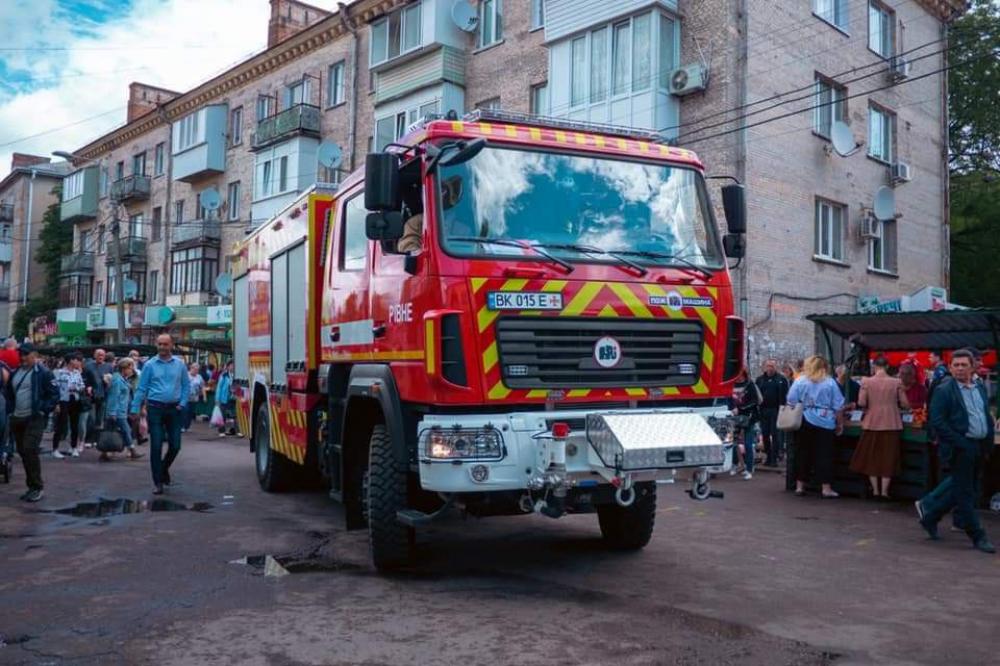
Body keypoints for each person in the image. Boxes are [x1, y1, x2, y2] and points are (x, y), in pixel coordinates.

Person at [915, 349, 995, 554]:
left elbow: (984, 414)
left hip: (979, 445)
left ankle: (930, 514)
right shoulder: (945, 390)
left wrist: (987, 440)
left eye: (963, 365)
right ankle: (978, 535)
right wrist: (960, 442)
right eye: (956, 365)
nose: (959, 368)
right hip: (960, 447)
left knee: (965, 489)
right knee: (965, 494)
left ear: (972, 367)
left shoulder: (978, 387)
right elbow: (937, 421)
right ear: (950, 368)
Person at [131, 334, 190, 495]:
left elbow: (186, 386)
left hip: (174, 410)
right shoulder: (149, 365)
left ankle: (163, 469)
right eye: (160, 344)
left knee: (175, 445)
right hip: (155, 409)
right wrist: (135, 408)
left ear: (171, 345)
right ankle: (158, 482)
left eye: (165, 344)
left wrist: (182, 403)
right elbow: (142, 388)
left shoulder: (180, 364)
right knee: (156, 446)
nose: (162, 347)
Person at [849, 356, 909, 499]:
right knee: (889, 457)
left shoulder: (866, 381)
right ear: (887, 366)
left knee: (872, 457)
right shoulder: (896, 382)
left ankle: (875, 490)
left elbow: (862, 403)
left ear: (874, 366)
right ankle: (885, 492)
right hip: (891, 422)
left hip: (872, 422)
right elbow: (905, 403)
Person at [6, 344, 58, 502]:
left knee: (30, 449)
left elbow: (54, 394)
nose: (23, 357)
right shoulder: (15, 372)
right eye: (21, 354)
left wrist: (43, 410)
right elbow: (9, 393)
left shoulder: (43, 373)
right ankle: (32, 487)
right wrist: (10, 411)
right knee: (23, 452)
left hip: (34, 418)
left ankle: (36, 486)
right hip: (17, 417)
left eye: (26, 354)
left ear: (34, 355)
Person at [787, 356, 845, 499]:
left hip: (805, 419)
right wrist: (840, 423)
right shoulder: (830, 382)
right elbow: (838, 405)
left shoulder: (800, 381)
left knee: (803, 453)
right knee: (825, 455)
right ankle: (826, 488)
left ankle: (800, 486)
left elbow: (791, 400)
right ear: (824, 367)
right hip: (826, 422)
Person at [103, 358, 143, 461]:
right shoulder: (117, 379)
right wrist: (112, 412)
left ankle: (104, 452)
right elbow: (114, 396)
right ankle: (132, 450)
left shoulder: (121, 378)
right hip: (117, 411)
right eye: (131, 368)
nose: (132, 370)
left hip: (120, 410)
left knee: (109, 430)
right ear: (124, 368)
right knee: (126, 430)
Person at [756, 359, 789, 467]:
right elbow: (756, 394)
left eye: (772, 366)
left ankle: (774, 458)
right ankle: (768, 457)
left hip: (776, 410)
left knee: (775, 435)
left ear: (776, 367)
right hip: (763, 410)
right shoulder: (760, 380)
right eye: (768, 366)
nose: (770, 368)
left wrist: (784, 409)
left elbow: (786, 395)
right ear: (765, 367)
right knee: (765, 434)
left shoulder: (781, 379)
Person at [52, 354, 85, 458]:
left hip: (74, 398)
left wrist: (77, 388)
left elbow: (82, 385)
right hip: (63, 399)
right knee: (61, 423)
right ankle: (55, 448)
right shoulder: (58, 372)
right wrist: (56, 402)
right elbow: (54, 386)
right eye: (76, 360)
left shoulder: (77, 373)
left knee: (74, 424)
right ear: (70, 361)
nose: (78, 362)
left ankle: (73, 447)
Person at [733, 370, 761, 480]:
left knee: (748, 444)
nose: (738, 377)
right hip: (735, 417)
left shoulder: (750, 385)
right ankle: (735, 464)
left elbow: (755, 401)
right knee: (733, 443)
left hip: (749, 418)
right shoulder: (731, 385)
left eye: (740, 375)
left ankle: (749, 468)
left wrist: (740, 409)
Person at [83, 348, 112, 447]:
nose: (100, 357)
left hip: (103, 395)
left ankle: (97, 439)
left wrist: (108, 382)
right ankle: (88, 439)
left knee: (100, 419)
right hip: (91, 396)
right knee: (91, 418)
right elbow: (83, 379)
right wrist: (87, 386)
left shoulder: (109, 366)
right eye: (98, 354)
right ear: (94, 355)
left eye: (102, 355)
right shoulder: (88, 366)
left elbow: (112, 379)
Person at [184, 363, 206, 432]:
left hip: (194, 398)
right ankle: (182, 426)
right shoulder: (186, 375)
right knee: (185, 411)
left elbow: (202, 386)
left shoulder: (199, 377)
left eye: (197, 370)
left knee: (190, 413)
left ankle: (187, 427)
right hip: (185, 397)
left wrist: (204, 396)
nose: (196, 371)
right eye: (195, 369)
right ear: (191, 368)